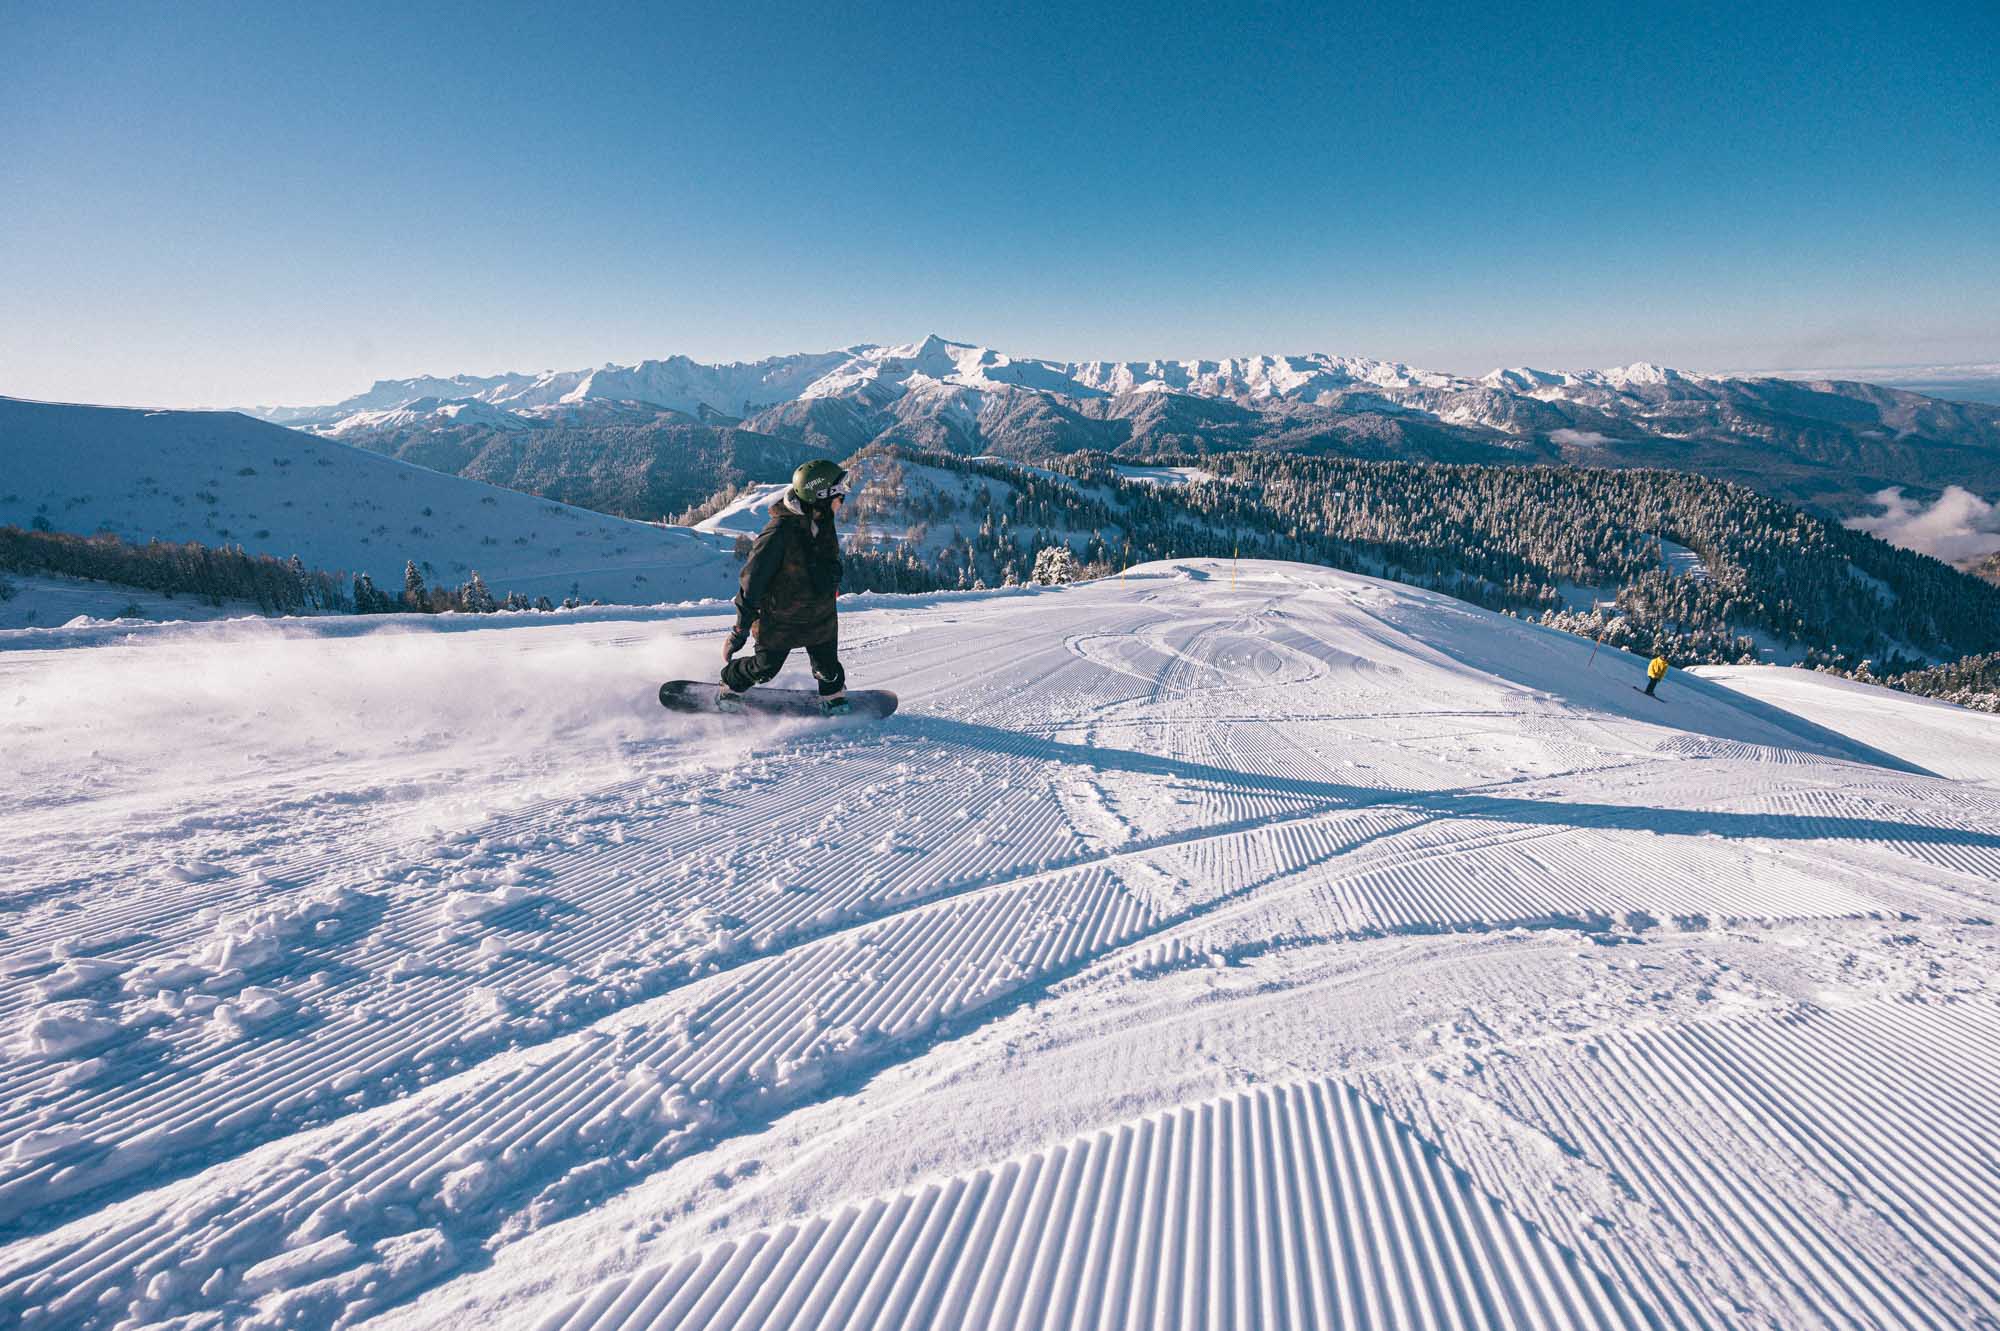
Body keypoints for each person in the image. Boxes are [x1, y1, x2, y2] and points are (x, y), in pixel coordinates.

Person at [720, 459, 850, 714]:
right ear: (820, 495)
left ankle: (832, 695)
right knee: (764, 669)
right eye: (839, 490)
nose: (844, 496)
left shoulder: (823, 520)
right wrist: (740, 630)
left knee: (828, 669)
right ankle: (730, 681)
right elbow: (752, 580)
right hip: (780, 618)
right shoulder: (780, 532)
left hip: (820, 616)